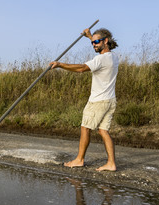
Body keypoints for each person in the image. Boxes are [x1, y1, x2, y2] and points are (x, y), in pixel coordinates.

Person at [49, 28, 119, 171]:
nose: (94, 45)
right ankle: (111, 163)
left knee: (85, 128)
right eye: (92, 43)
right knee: (103, 131)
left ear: (106, 41)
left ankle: (79, 160)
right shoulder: (113, 57)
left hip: (98, 102)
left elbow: (81, 68)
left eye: (97, 42)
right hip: (110, 100)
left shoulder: (100, 59)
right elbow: (99, 47)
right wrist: (90, 36)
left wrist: (60, 65)